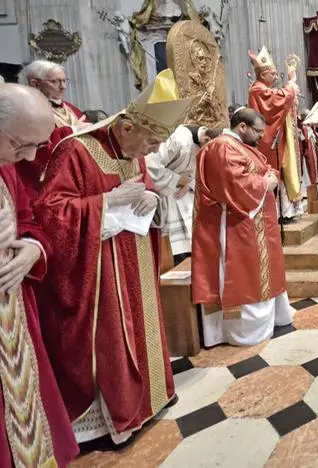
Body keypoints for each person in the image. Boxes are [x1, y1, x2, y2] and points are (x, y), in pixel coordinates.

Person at [35, 70, 195, 445]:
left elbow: (144, 189)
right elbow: (48, 212)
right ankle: (113, 417)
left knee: (143, 326)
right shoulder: (76, 150)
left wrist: (151, 198)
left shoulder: (132, 151)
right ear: (126, 127)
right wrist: (104, 203)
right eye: (152, 140)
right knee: (113, 335)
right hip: (99, 271)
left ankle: (152, 397)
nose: (153, 151)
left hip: (134, 257)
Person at [0, 85, 79, 467]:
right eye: (21, 145)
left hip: (14, 313)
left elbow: (32, 219)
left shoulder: (8, 169)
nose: (29, 157)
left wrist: (33, 247)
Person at [191, 108, 294, 347]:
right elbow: (235, 186)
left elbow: (265, 167)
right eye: (258, 131)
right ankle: (243, 331)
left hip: (254, 223)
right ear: (242, 127)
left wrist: (268, 176)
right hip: (235, 227)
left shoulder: (240, 146)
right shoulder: (222, 148)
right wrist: (265, 182)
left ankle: (271, 320)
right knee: (245, 276)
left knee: (263, 271)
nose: (261, 136)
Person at [145, 124, 220, 266]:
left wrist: (190, 182)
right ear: (206, 138)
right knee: (175, 256)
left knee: (192, 253)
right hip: (168, 200)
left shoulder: (208, 143)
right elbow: (149, 165)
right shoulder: (178, 139)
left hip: (188, 200)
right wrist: (176, 179)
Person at [17, 60, 88, 196]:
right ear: (35, 83)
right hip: (44, 185)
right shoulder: (26, 111)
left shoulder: (70, 108)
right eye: (55, 81)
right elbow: (34, 152)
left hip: (77, 176)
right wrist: (71, 131)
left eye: (64, 81)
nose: (63, 87)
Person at [247, 47, 303, 220]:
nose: (276, 77)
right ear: (263, 75)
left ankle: (285, 211)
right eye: (273, 74)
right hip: (265, 140)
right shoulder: (257, 89)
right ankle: (276, 213)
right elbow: (277, 100)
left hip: (274, 138)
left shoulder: (262, 87)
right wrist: (291, 82)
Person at [297, 108, 318, 196]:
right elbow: (303, 140)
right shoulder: (302, 128)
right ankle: (306, 192)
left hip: (313, 151)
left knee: (315, 170)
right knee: (308, 172)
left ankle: (316, 190)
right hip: (307, 153)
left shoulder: (312, 127)